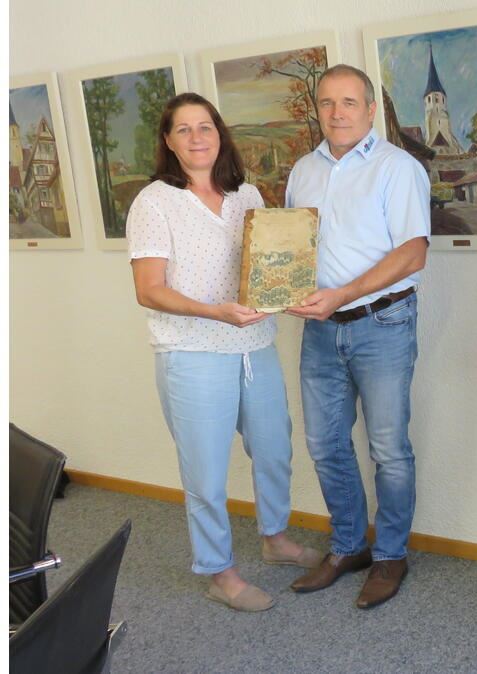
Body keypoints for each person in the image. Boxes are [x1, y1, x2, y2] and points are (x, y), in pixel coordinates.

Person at [127, 93, 321, 613]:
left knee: (274, 449)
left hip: (254, 344)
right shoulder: (154, 202)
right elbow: (148, 289)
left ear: (220, 134)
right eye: (184, 130)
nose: (197, 138)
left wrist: (289, 292)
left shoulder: (248, 195)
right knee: (206, 472)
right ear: (168, 141)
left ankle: (275, 537)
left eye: (205, 127)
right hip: (191, 351)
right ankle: (219, 571)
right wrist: (216, 312)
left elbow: (268, 265)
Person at [284, 64, 431, 610]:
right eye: (327, 102)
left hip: (383, 325)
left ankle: (391, 555)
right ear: (317, 109)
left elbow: (413, 253)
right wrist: (286, 287)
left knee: (388, 449)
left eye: (349, 102)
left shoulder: (398, 168)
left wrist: (342, 294)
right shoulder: (302, 171)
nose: (338, 112)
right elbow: (295, 247)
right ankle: (348, 546)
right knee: (324, 445)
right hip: (320, 329)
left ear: (370, 110)